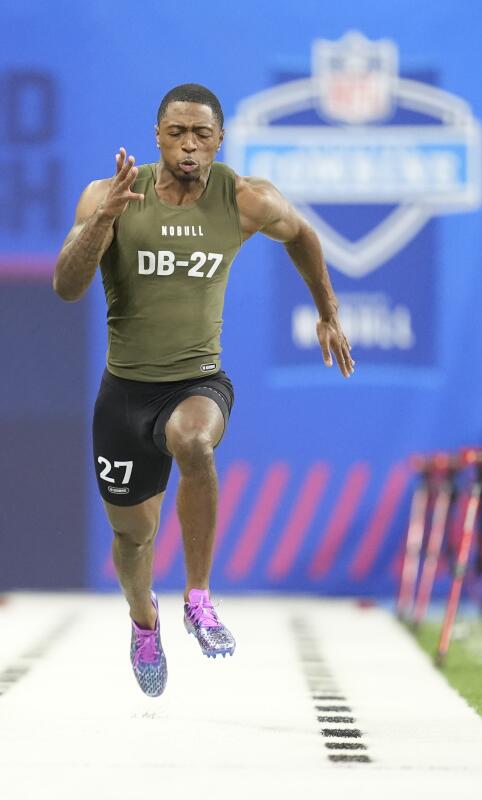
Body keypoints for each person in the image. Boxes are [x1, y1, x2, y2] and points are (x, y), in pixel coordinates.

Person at [52, 84, 354, 696]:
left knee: (195, 442)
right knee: (131, 539)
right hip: (124, 395)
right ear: (156, 136)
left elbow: (302, 235)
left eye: (202, 135)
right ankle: (144, 622)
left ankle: (199, 596)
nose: (189, 146)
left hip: (197, 382)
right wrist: (104, 220)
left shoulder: (245, 199)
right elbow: (66, 285)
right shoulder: (108, 196)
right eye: (176, 134)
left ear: (220, 140)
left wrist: (328, 310)